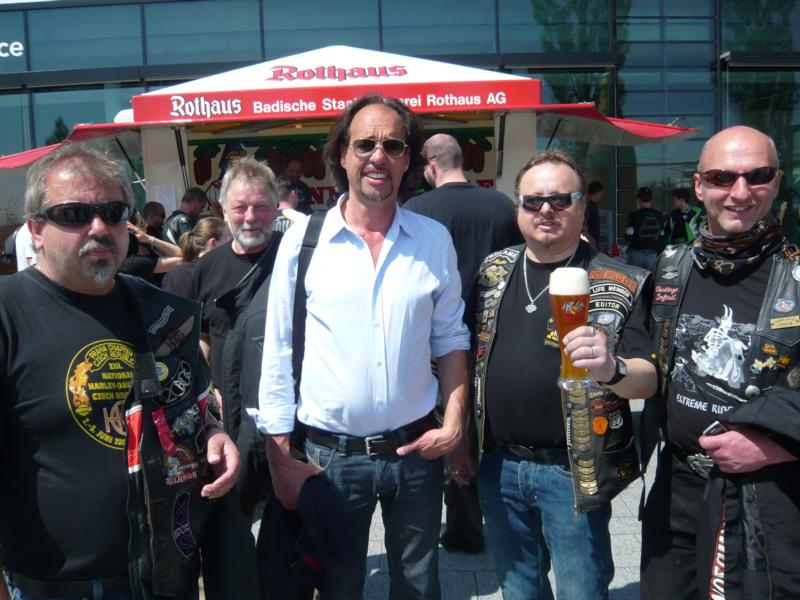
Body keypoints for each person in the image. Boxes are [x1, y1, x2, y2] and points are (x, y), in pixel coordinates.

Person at [0, 144, 258, 600]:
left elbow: (195, 403)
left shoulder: (160, 311)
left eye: (113, 212)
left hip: (165, 576)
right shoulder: (8, 312)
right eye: (75, 214)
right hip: (55, 586)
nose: (99, 227)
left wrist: (214, 433)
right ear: (36, 230)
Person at [256, 93, 471, 599]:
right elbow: (278, 352)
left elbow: (451, 338)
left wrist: (456, 421)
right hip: (331, 458)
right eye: (365, 144)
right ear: (342, 154)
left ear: (408, 159)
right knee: (338, 587)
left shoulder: (433, 239)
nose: (379, 156)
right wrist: (279, 455)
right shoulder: (302, 241)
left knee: (419, 587)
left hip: (416, 451)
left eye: (393, 145)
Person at [470, 149, 655, 600]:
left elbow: (648, 378)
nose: (545, 210)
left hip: (573, 471)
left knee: (581, 591)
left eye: (560, 199)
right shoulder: (494, 270)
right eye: (533, 201)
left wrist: (611, 368)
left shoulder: (619, 278)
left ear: (582, 205)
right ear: (518, 207)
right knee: (519, 590)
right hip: (498, 466)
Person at [635, 125, 800, 599]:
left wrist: (780, 447)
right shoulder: (671, 267)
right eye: (723, 177)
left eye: (758, 176)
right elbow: (645, 363)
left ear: (776, 182)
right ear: (700, 185)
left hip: (769, 496)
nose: (740, 192)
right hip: (675, 490)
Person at [404, 132, 522, 554]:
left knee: (449, 428)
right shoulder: (502, 205)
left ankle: (464, 529)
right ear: (460, 161)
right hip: (496, 337)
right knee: (490, 430)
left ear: (430, 165)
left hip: (437, 344)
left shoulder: (416, 211)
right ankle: (508, 517)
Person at [190, 157, 281, 394]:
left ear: (276, 208)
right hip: (228, 401)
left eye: (261, 207)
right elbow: (202, 335)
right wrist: (209, 391)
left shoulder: (296, 259)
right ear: (224, 211)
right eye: (240, 208)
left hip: (288, 401)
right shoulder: (206, 267)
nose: (250, 217)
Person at [162, 216, 229, 298]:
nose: (232, 246)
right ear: (213, 244)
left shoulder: (176, 273)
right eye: (229, 242)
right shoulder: (218, 275)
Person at [625, 186, 665, 270]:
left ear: (638, 199)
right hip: (653, 255)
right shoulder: (660, 215)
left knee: (634, 278)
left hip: (636, 253)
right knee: (651, 278)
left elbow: (628, 235)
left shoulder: (634, 215)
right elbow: (662, 236)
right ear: (652, 200)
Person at [584, 180, 604, 247]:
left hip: (592, 242)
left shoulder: (592, 205)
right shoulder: (588, 206)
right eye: (601, 194)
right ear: (598, 193)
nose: (601, 196)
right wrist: (591, 240)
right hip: (589, 243)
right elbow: (582, 226)